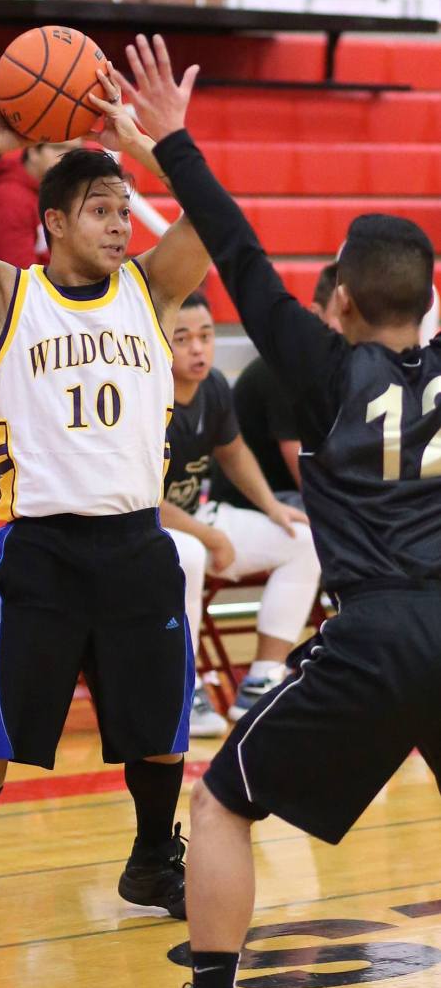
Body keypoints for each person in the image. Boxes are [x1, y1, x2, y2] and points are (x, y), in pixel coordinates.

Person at [118, 34, 441, 988]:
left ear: (338, 299)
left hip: (377, 634)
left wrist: (172, 141)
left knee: (220, 806)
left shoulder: (327, 366)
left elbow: (239, 251)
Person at [0, 66, 210, 941]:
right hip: (42, 548)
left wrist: (159, 148)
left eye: (124, 208)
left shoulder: (152, 289)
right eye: (103, 209)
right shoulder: (7, 294)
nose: (120, 223)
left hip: (137, 544)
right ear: (57, 221)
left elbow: (220, 221)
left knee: (159, 726)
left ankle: (153, 859)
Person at [161, 291, 321, 729]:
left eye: (206, 336)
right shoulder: (146, 395)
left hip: (196, 517)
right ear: (158, 340)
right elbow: (142, 504)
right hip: (143, 530)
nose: (198, 348)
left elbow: (233, 452)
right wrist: (210, 536)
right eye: (183, 338)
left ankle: (261, 682)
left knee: (303, 540)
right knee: (190, 555)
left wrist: (273, 507)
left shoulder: (213, 386)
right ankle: (182, 690)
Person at [210, 261, 340, 512]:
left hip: (290, 497)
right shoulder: (286, 369)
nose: (352, 327)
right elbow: (311, 482)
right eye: (343, 315)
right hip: (248, 505)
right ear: (315, 314)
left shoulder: (350, 366)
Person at [0, 141, 80, 268]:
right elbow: (19, 277)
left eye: (75, 151)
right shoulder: (7, 200)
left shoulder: (60, 193)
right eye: (59, 148)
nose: (69, 159)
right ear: (33, 151)